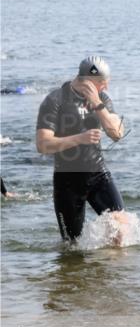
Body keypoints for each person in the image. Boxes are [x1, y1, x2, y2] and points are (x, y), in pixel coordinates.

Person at [35, 56, 127, 241]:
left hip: (98, 173)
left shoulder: (102, 99)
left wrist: (97, 104)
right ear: (89, 81)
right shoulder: (55, 100)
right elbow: (42, 145)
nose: (106, 88)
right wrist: (80, 139)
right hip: (67, 180)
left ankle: (112, 270)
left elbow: (117, 133)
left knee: (120, 229)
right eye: (102, 83)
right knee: (72, 246)